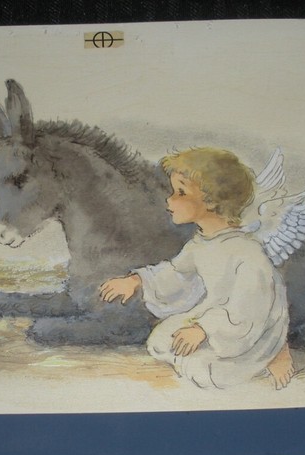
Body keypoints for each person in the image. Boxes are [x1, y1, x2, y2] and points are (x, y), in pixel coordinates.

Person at [99, 147, 295, 389]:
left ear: (212, 201)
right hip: (219, 317)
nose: (170, 200)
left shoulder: (246, 252)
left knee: (206, 372)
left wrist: (203, 329)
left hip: (253, 326)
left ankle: (276, 353)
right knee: (160, 341)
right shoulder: (200, 244)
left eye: (181, 192)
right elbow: (176, 273)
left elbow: (250, 308)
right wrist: (137, 280)